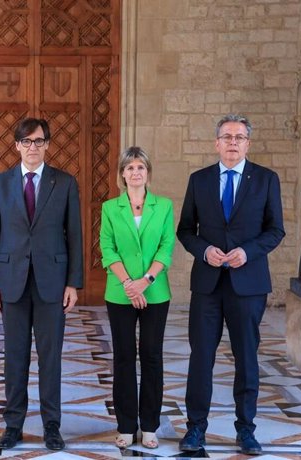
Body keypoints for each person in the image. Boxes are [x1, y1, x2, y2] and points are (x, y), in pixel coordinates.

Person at [176, 114, 284, 456]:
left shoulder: (266, 179)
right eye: (227, 136)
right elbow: (184, 230)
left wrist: (247, 252)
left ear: (248, 143)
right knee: (201, 358)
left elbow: (275, 229)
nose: (233, 142)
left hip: (248, 284)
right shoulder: (199, 180)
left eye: (239, 137)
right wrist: (204, 249)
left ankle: (247, 429)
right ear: (217, 143)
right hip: (207, 285)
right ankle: (195, 429)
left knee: (246, 359)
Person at [0, 117, 83, 451]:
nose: (32, 148)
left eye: (39, 141)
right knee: (14, 357)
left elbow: (75, 235)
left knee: (50, 357)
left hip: (52, 284)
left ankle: (51, 426)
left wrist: (74, 282)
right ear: (16, 146)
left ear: (48, 145)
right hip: (11, 282)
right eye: (26, 142)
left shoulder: (65, 183)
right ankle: (13, 425)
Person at [99, 147, 175, 449]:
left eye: (140, 166)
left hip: (155, 292)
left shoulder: (165, 206)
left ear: (149, 172)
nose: (135, 172)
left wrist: (145, 282)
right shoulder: (110, 208)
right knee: (124, 357)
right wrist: (130, 284)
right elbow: (108, 248)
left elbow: (166, 248)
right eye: (129, 167)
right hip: (120, 292)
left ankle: (151, 426)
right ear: (122, 175)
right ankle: (127, 425)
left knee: (152, 357)